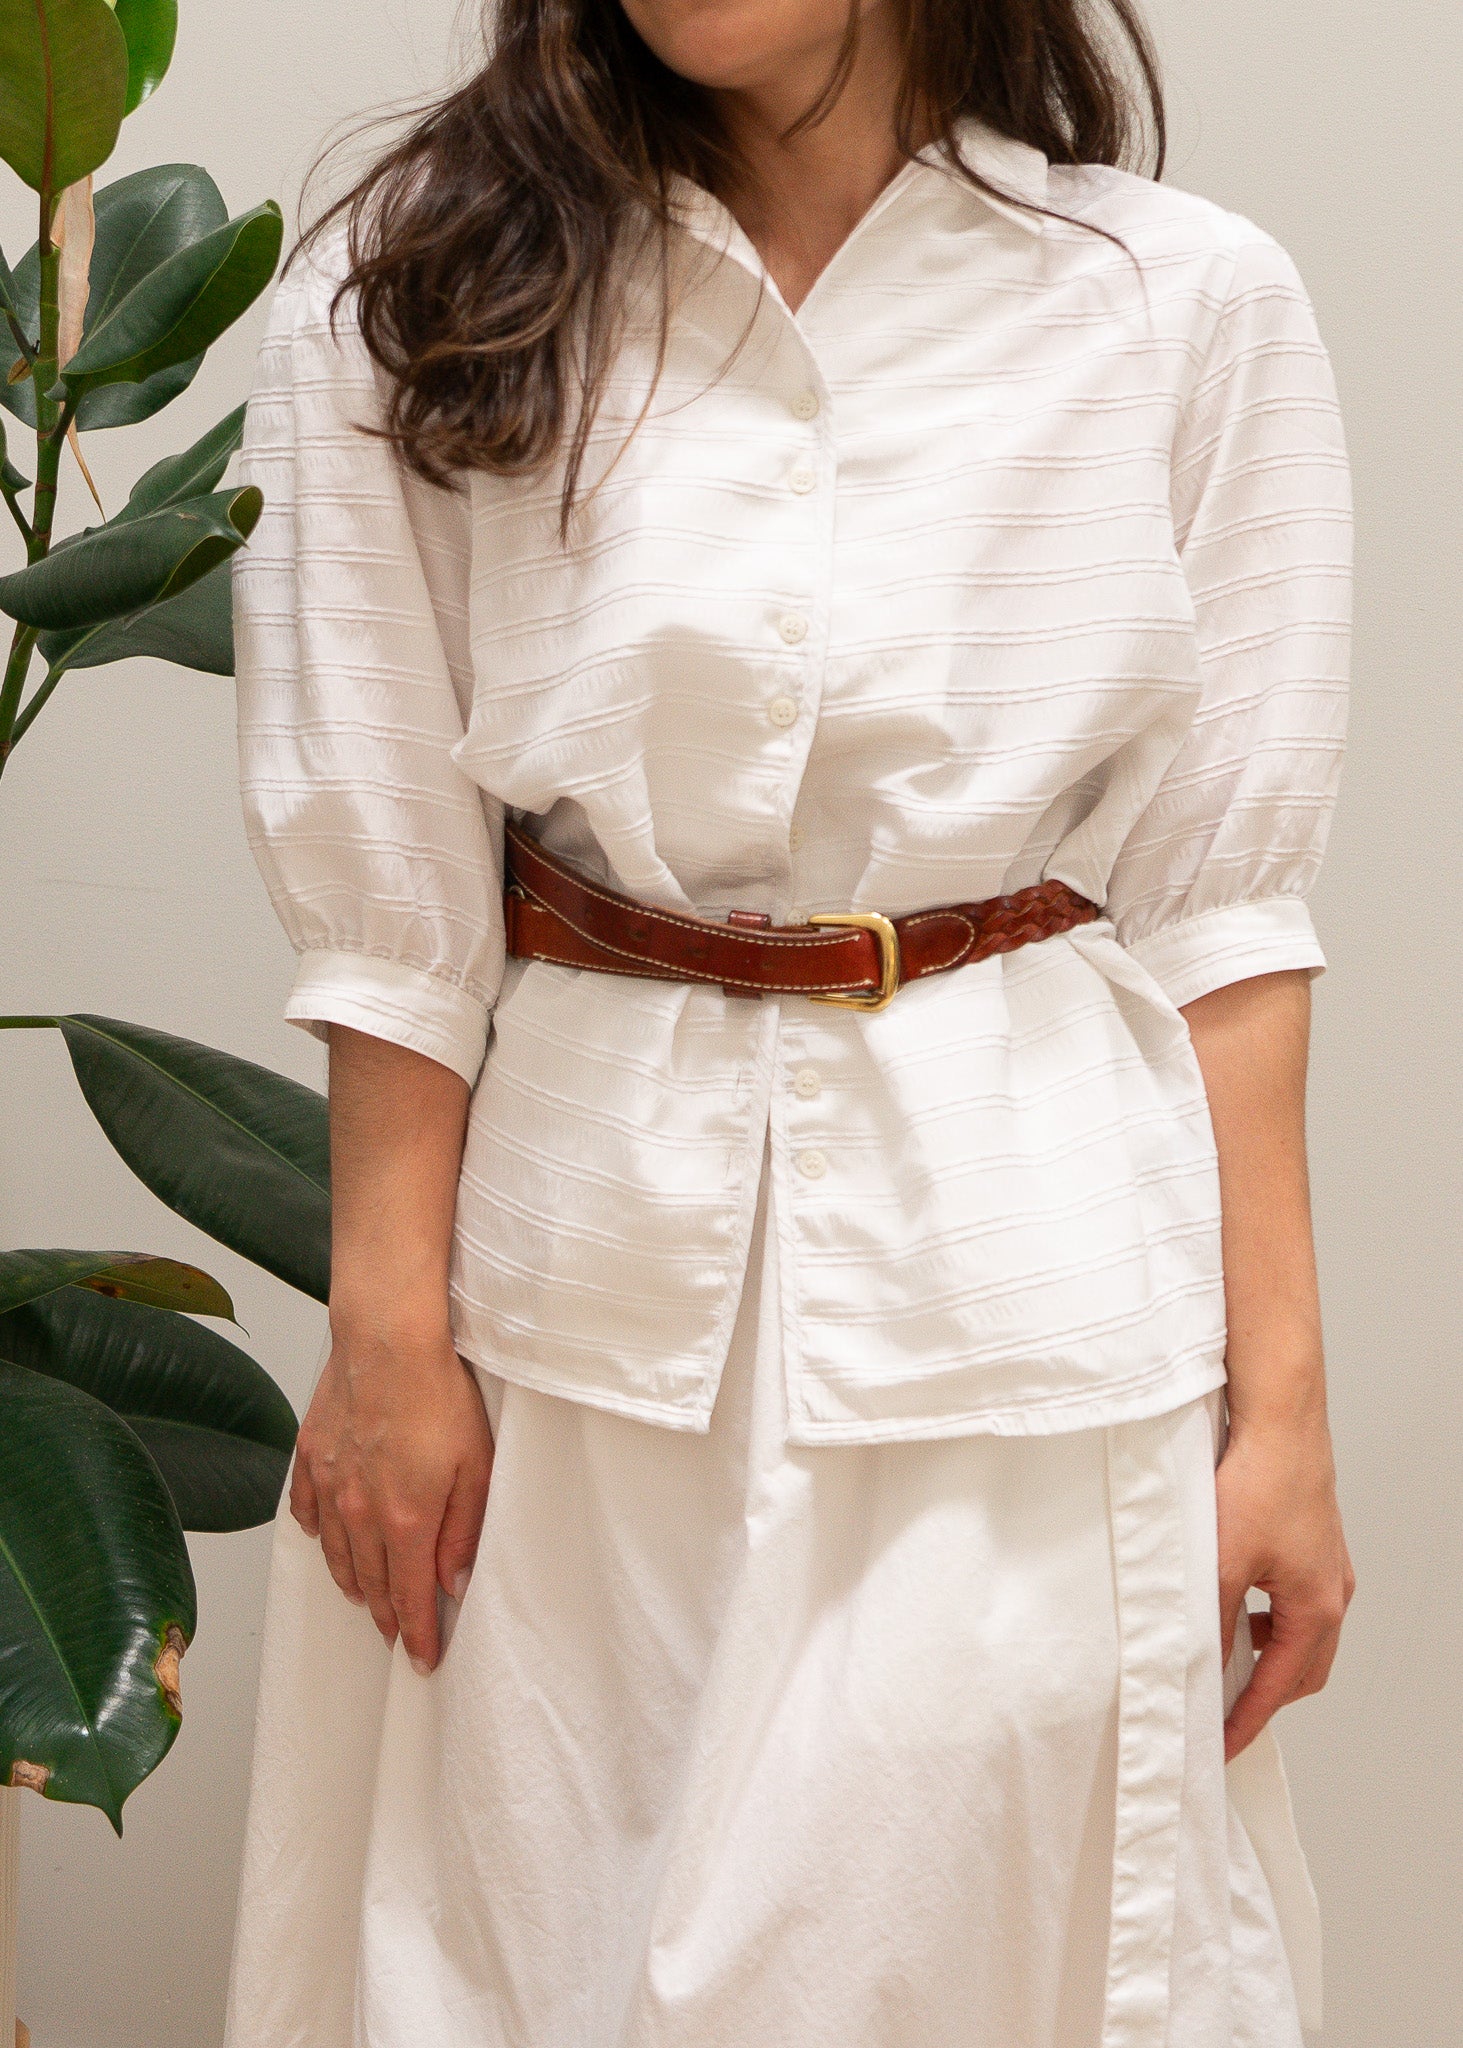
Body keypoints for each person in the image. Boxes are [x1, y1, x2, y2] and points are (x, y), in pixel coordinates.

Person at [223, 0, 1354, 2040]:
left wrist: (1284, 1419)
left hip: (1026, 1310)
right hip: (559, 1332)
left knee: (998, 1961)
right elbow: (392, 890)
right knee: (521, 1963)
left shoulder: (1183, 307)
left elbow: (1222, 901)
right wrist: (386, 1338)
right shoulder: (412, 298)